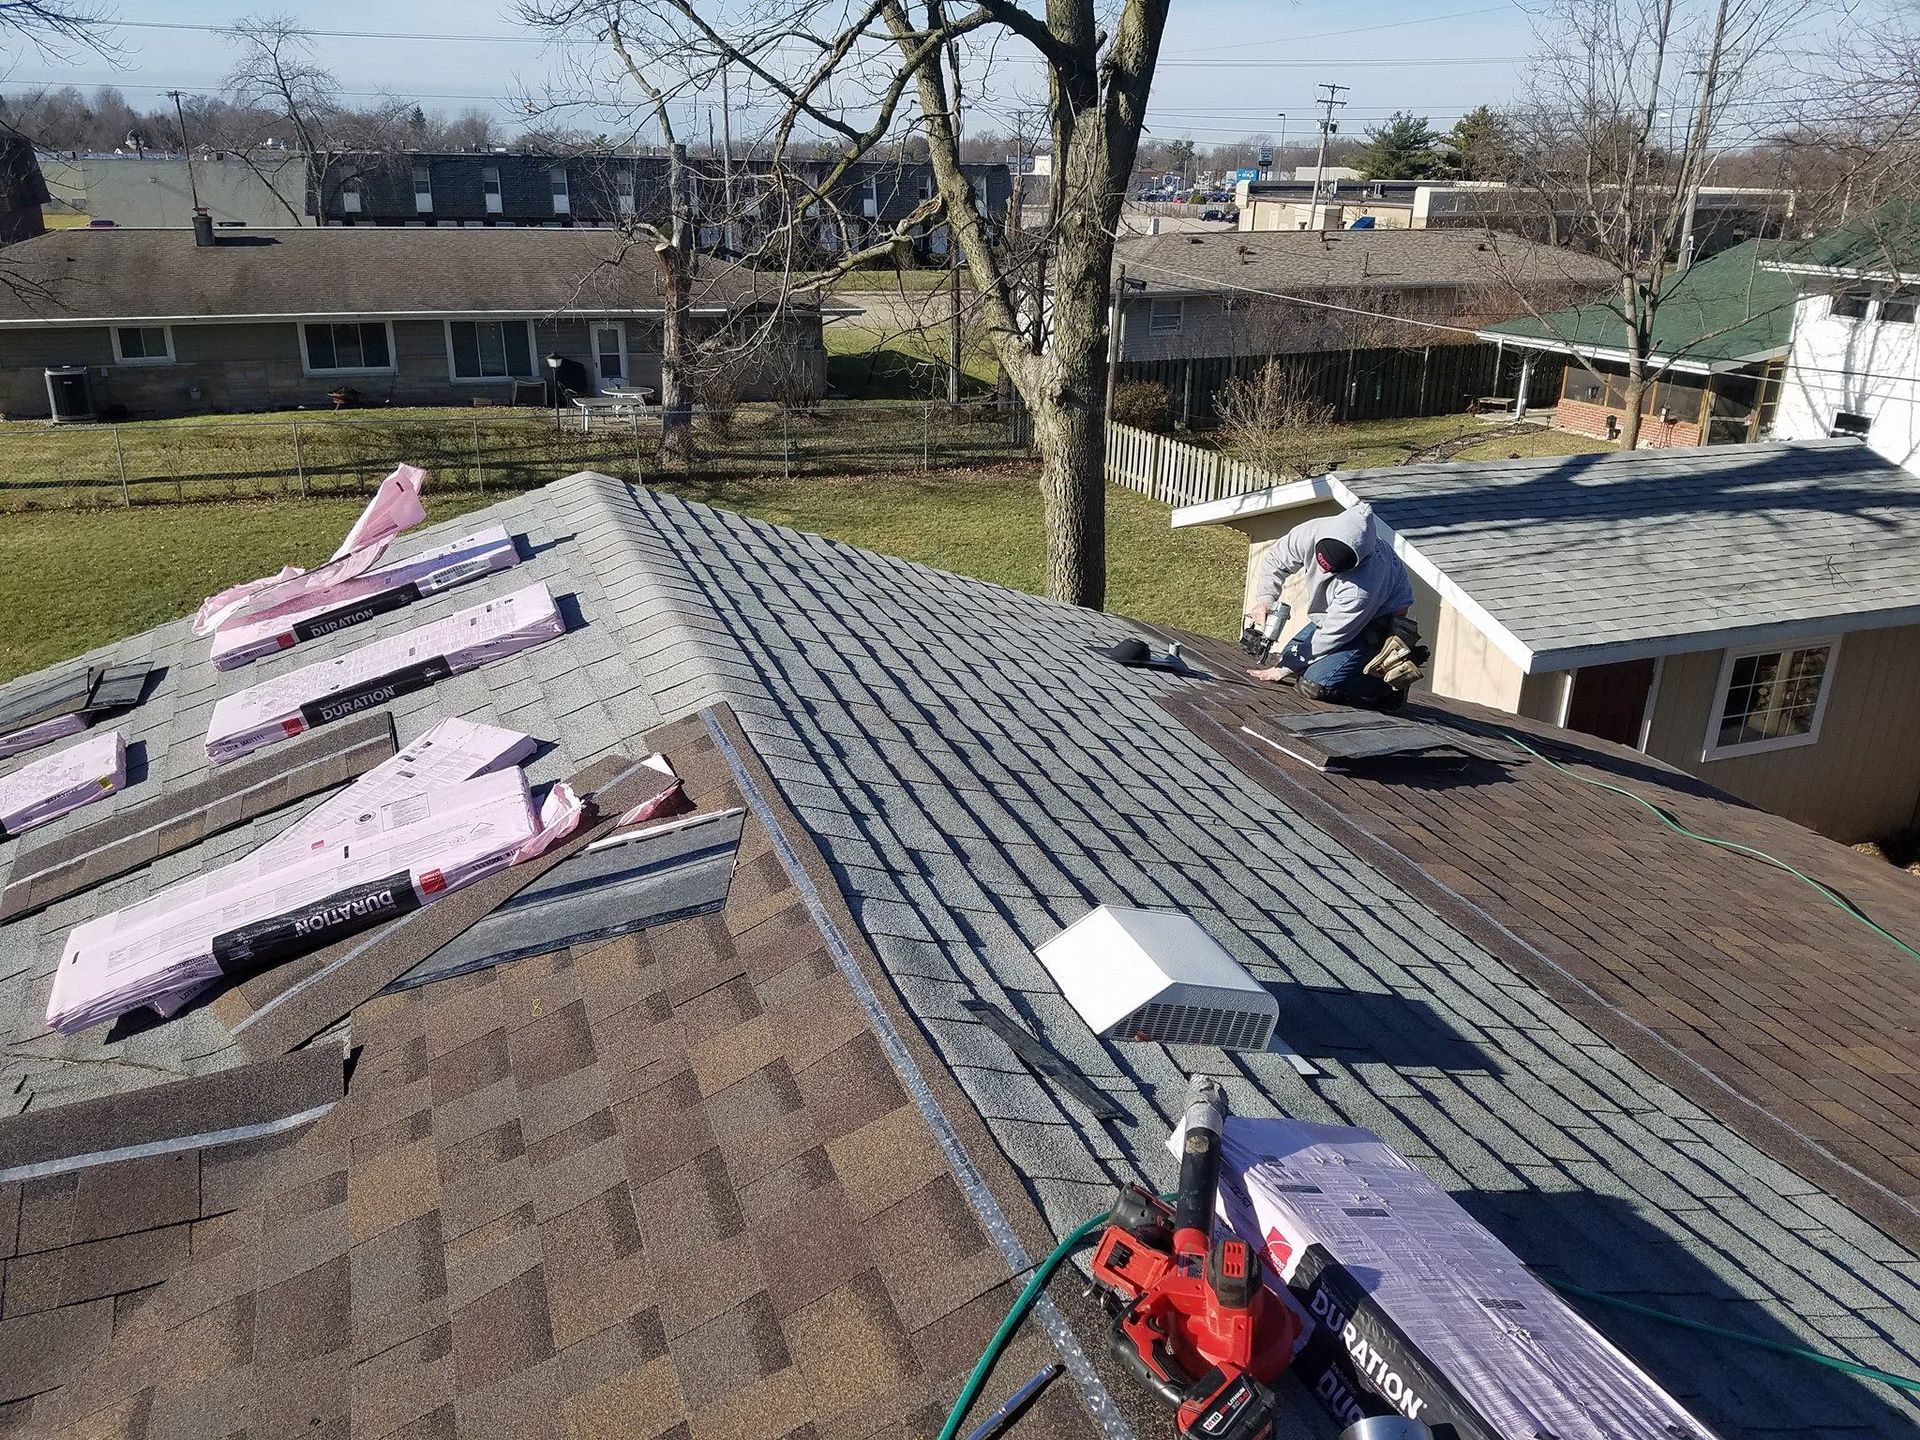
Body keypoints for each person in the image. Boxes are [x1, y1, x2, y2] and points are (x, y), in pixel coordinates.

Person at [1247, 503, 1415, 709]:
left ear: (1353, 564)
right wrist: (1265, 599)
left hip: (1376, 619)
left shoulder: (1363, 586)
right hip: (1335, 614)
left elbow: (1332, 635)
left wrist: (1284, 669)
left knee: (1315, 685)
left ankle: (1386, 686)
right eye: (1322, 565)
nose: (1324, 574)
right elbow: (1276, 559)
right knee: (1292, 655)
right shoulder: (1311, 532)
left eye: (1333, 570)